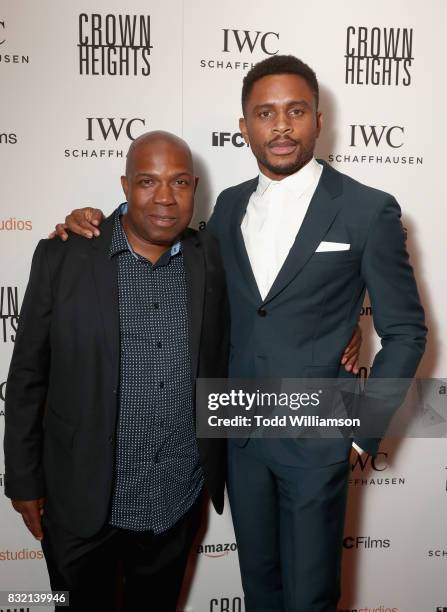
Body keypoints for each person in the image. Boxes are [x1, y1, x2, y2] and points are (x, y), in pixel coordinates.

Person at [47, 55, 391, 611]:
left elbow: (408, 331)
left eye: (295, 111)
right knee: (259, 592)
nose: (280, 126)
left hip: (315, 439)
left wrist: (358, 434)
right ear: (245, 127)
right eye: (264, 113)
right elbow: (242, 301)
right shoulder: (226, 209)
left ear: (317, 120)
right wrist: (87, 225)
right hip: (241, 443)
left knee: (311, 599)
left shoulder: (368, 209)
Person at [3, 131, 230, 612]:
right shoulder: (64, 256)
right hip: (82, 507)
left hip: (175, 502)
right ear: (125, 185)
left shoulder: (208, 257)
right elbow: (26, 378)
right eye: (149, 181)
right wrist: (22, 481)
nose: (165, 198)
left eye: (180, 182)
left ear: (194, 188)